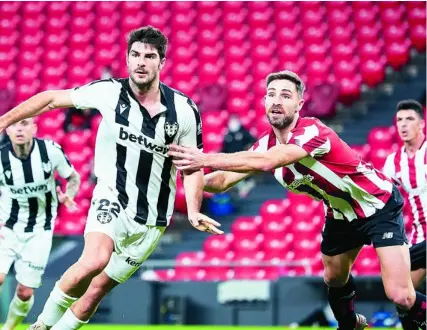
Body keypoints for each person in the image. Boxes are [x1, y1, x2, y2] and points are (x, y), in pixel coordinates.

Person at [0, 26, 223, 330]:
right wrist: (4, 122)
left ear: (162, 63)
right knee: (94, 260)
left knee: (95, 292)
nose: (141, 62)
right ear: (127, 59)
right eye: (135, 55)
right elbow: (51, 99)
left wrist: (195, 210)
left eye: (149, 56)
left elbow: (192, 166)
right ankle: (40, 325)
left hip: (152, 219)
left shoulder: (183, 111)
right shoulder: (109, 92)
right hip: (111, 197)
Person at [168, 70, 427, 330]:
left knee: (401, 296)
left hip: (376, 204)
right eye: (271, 95)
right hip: (339, 213)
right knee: (333, 278)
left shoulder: (312, 131)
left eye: (285, 95)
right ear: (264, 103)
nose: (277, 100)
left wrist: (202, 158)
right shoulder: (263, 145)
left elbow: (270, 161)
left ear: (299, 104)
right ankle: (351, 325)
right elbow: (222, 181)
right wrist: (181, 175)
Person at [0, 118, 80, 330]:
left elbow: (73, 177)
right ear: (7, 130)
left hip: (40, 231)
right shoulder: (0, 157)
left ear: (34, 128)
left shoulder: (50, 151)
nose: (19, 128)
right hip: (7, 227)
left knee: (24, 292)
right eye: (14, 125)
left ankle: (8, 327)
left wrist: (68, 195)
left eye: (25, 123)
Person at [383, 99, 426, 330]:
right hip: (420, 238)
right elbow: (382, 195)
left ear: (422, 124)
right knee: (403, 297)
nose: (403, 124)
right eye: (399, 120)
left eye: (409, 119)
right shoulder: (393, 162)